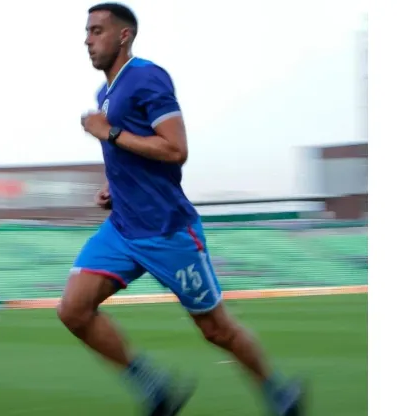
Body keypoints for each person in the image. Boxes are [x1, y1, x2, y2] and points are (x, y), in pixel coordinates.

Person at [57, 3, 305, 416]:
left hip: (167, 231)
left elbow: (175, 150)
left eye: (97, 30)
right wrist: (113, 188)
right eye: (86, 31)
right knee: (73, 310)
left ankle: (280, 391)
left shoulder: (147, 77)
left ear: (124, 36)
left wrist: (110, 132)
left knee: (215, 329)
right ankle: (156, 390)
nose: (87, 39)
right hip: (122, 229)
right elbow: (134, 158)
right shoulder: (106, 93)